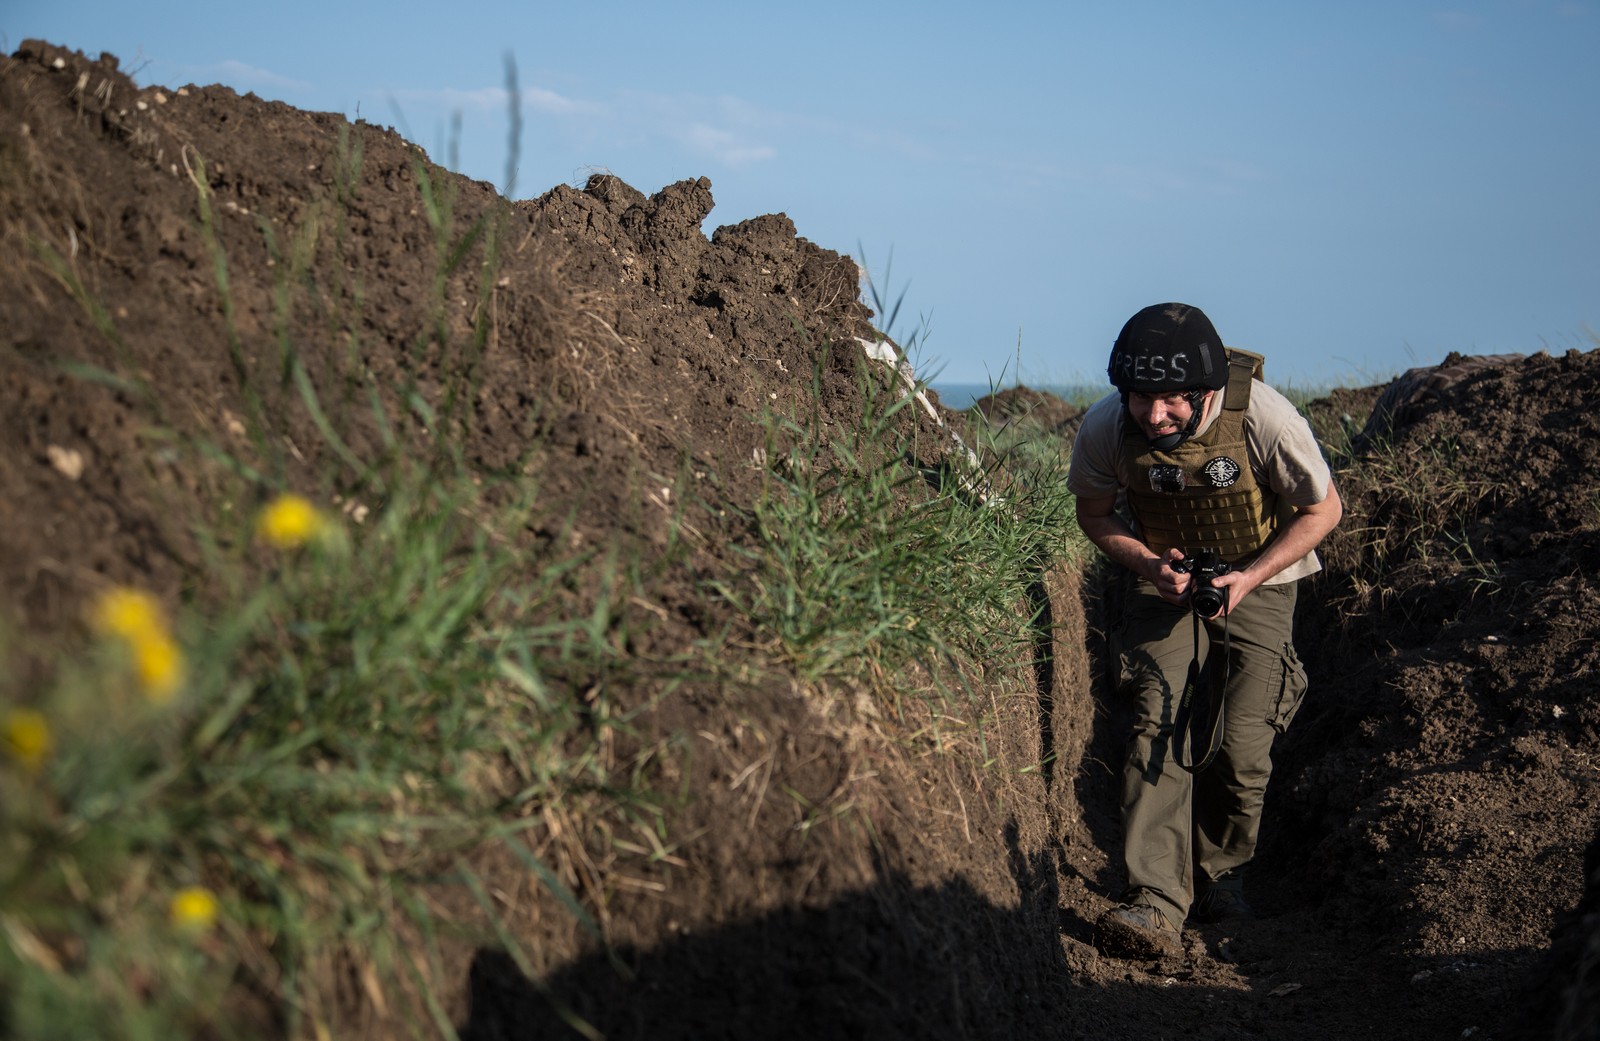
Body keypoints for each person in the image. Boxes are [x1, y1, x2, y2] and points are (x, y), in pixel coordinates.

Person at [1066, 302, 1342, 959]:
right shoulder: (1107, 426)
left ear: (1207, 392)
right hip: (1162, 579)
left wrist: (1249, 577)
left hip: (1261, 578)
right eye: (1140, 398)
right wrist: (1147, 565)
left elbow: (1324, 509)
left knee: (1242, 744)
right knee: (1156, 721)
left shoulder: (1267, 419)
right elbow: (1094, 514)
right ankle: (1156, 901)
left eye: (1171, 401)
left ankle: (1222, 877)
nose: (1153, 415)